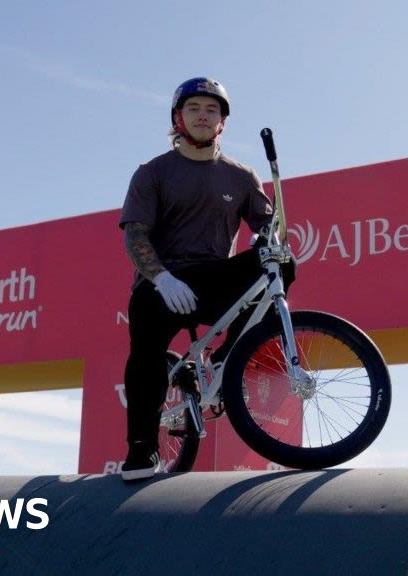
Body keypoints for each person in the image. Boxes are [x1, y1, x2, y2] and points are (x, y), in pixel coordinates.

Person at [118, 77, 293, 481]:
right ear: (178, 117)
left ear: (222, 123)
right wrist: (161, 278)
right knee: (145, 356)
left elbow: (269, 230)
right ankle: (141, 451)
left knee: (282, 263)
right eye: (194, 108)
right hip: (162, 284)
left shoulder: (242, 176)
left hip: (216, 278)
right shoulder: (152, 172)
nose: (202, 115)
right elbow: (135, 234)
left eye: (211, 110)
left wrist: (268, 237)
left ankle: (228, 354)